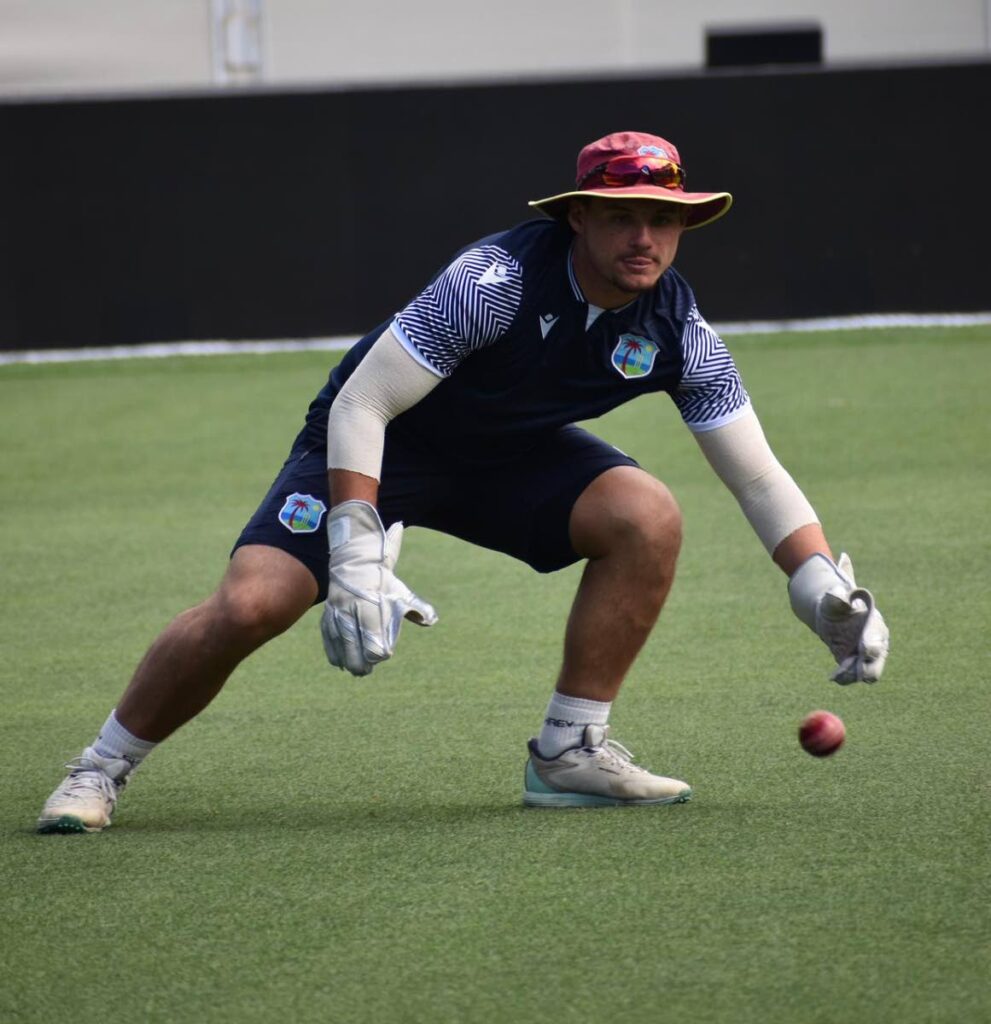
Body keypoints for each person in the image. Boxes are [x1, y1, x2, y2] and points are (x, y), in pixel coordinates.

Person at [37, 130, 890, 831]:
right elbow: (363, 404)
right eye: (625, 217)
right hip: (386, 444)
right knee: (252, 604)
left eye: (665, 220)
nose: (646, 239)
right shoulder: (495, 283)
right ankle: (100, 768)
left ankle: (569, 753)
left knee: (646, 514)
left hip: (511, 456)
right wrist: (358, 549)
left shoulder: (680, 330)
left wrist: (820, 586)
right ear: (580, 219)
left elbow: (757, 477)